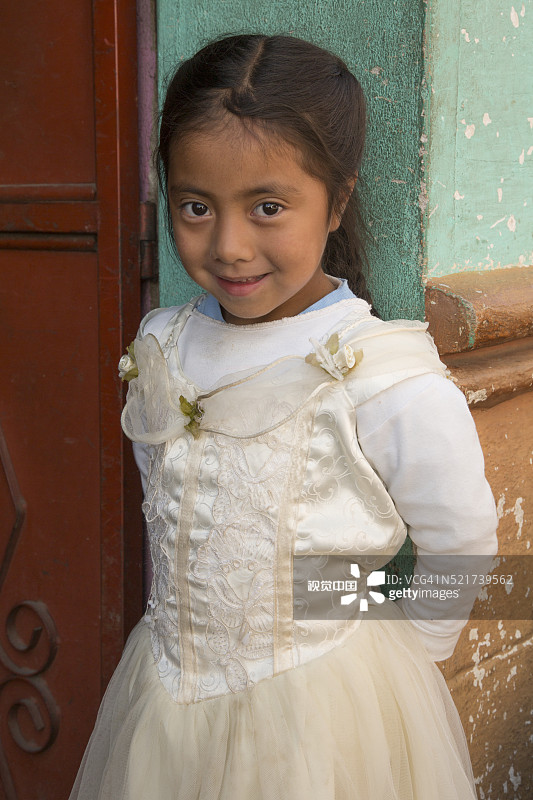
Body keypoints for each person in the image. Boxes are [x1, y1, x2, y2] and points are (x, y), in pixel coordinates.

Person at [70, 34, 498, 799]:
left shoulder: (377, 372)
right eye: (195, 207)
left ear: (335, 200)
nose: (229, 246)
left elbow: (463, 543)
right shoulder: (163, 342)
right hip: (168, 694)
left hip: (322, 707)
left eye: (268, 207)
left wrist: (398, 665)